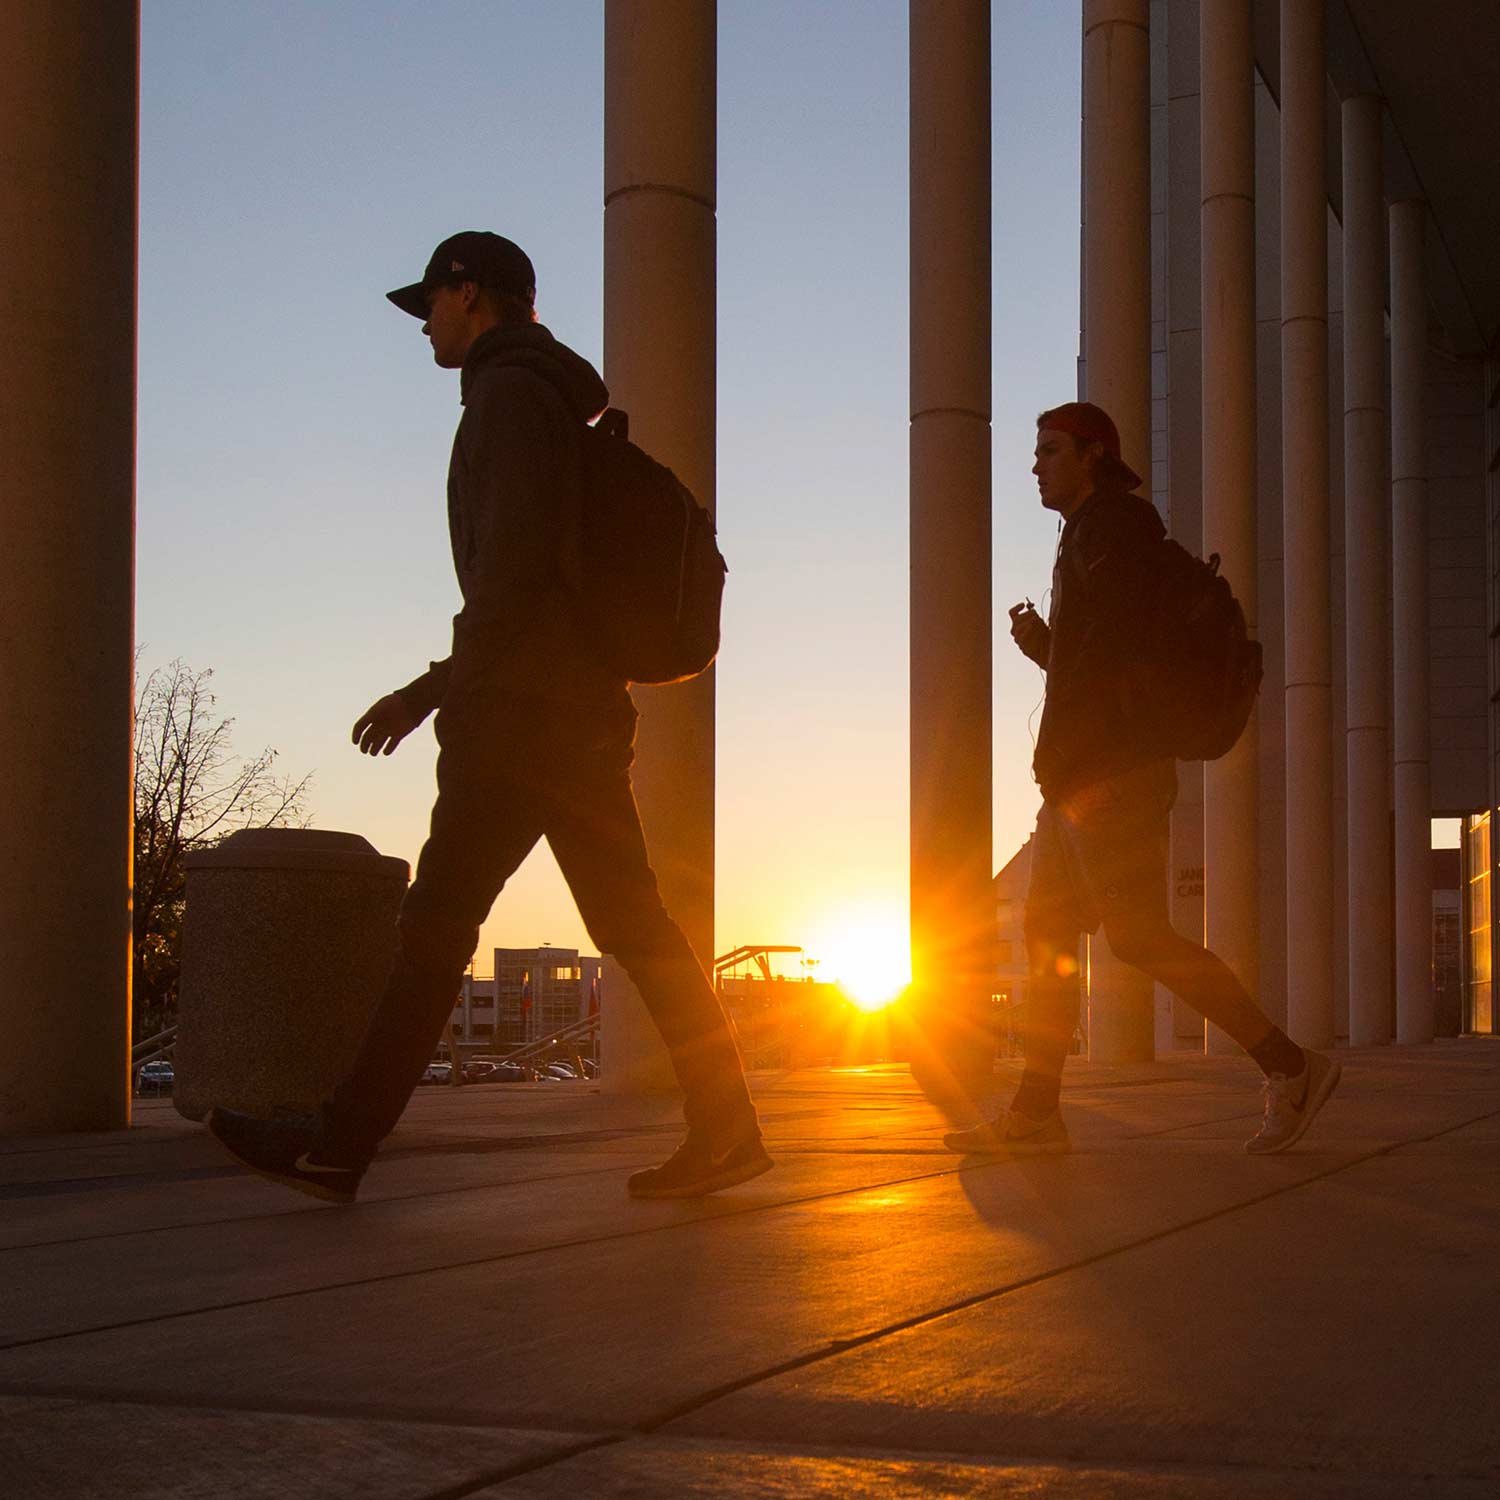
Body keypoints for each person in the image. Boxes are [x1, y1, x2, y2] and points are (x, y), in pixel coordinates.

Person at [209, 231, 769, 1203]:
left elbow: (512, 574)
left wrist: (431, 692)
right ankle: (728, 1128)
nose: (424, 324)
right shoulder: (540, 397)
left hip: (522, 714)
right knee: (631, 927)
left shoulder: (508, 399)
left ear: (470, 294)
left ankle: (337, 1144)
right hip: (576, 709)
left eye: (430, 302)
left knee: (435, 929)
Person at [944, 401, 1339, 1158]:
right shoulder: (1092, 534)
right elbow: (1101, 660)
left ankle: (1291, 1068)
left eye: (1051, 451)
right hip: (1085, 776)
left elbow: (1117, 665)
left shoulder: (1116, 531)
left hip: (1111, 776)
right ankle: (1035, 1111)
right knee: (1050, 931)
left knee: (1138, 936)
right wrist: (1048, 650)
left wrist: (1065, 685)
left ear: (1094, 454)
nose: (1036, 465)